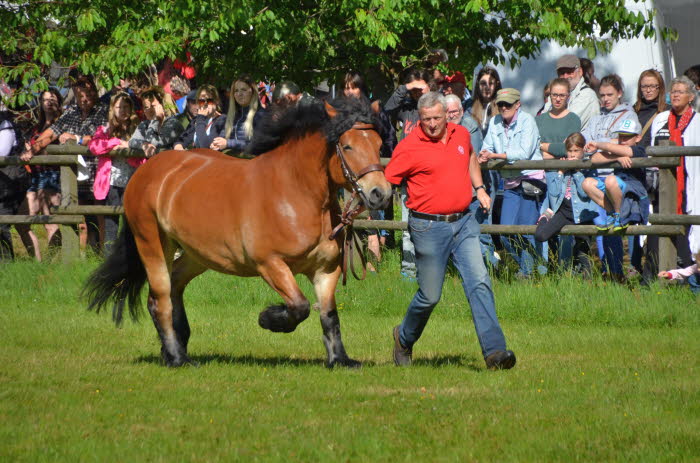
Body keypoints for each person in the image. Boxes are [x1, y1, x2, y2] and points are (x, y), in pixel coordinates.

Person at [385, 91, 516, 370]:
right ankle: (404, 337)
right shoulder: (409, 146)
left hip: (464, 222)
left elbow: (470, 157)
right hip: (427, 226)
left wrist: (479, 187)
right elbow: (387, 180)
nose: (432, 124)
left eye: (436, 117)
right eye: (426, 119)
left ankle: (495, 352)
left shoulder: (460, 134)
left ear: (447, 114)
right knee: (430, 295)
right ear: (419, 119)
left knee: (479, 281)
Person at [21, 75, 109, 253]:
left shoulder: (103, 112)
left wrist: (75, 138)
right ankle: (83, 258)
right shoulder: (71, 113)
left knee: (101, 217)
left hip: (98, 174)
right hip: (75, 178)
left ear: (93, 92)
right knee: (81, 221)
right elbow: (50, 134)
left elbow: (102, 138)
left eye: (87, 95)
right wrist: (33, 149)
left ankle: (103, 255)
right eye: (80, 95)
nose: (83, 99)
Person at [480, 88, 545, 278]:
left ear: (518, 104)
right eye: (500, 104)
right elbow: (487, 146)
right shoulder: (494, 122)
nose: (503, 107)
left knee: (525, 231)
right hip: (509, 181)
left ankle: (528, 273)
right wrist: (484, 155)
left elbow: (524, 153)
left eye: (507, 104)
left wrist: (495, 156)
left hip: (530, 181)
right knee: (505, 232)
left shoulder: (528, 121)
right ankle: (528, 268)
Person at [582, 74, 640, 281]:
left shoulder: (628, 116)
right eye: (602, 95)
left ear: (619, 93)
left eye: (610, 94)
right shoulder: (596, 118)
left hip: (617, 179)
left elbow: (625, 146)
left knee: (616, 224)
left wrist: (602, 149)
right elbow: (586, 144)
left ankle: (618, 271)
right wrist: (605, 148)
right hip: (597, 178)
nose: (605, 99)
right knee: (603, 226)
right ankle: (609, 270)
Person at [340, 71, 397, 264]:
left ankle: (375, 260)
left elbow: (388, 137)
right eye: (346, 88)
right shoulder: (340, 113)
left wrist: (384, 163)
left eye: (353, 87)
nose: (350, 92)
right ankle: (353, 257)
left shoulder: (374, 111)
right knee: (351, 214)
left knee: (374, 215)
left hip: (372, 170)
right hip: (349, 173)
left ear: (361, 88)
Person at [650, 75, 700, 272]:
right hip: (665, 185)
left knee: (691, 227)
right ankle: (666, 273)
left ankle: (690, 273)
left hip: (691, 182)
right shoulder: (662, 119)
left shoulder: (697, 121)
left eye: (680, 91)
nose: (675, 95)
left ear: (691, 97)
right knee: (664, 226)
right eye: (673, 91)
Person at [385, 69, 431, 280]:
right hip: (409, 179)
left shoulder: (433, 107)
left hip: (430, 178)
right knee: (407, 226)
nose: (417, 93)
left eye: (419, 87)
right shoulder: (407, 110)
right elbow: (387, 108)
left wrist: (427, 94)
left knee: (430, 225)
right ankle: (409, 268)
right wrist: (406, 88)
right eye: (414, 89)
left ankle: (430, 268)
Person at [445, 93, 498, 268]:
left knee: (481, 233)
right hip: (454, 192)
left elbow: (470, 156)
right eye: (448, 112)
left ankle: (491, 269)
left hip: (474, 191)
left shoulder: (469, 126)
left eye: (455, 111)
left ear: (461, 110)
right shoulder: (442, 128)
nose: (452, 115)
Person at [535, 133, 598, 275]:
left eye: (576, 151)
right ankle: (545, 218)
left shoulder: (588, 167)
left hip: (582, 213)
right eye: (570, 151)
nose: (572, 155)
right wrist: (560, 172)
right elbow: (555, 193)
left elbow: (584, 193)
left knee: (583, 253)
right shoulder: (562, 166)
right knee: (541, 235)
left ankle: (585, 279)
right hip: (563, 212)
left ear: (583, 151)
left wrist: (576, 171)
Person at [536, 78, 582, 264]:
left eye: (562, 95)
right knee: (542, 217)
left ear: (568, 97)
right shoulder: (540, 120)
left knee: (563, 223)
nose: (557, 99)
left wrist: (545, 146)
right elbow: (535, 149)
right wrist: (553, 151)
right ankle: (543, 267)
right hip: (541, 175)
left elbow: (569, 149)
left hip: (565, 178)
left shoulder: (573, 119)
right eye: (554, 95)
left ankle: (564, 266)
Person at [88, 92, 140, 254]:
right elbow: (94, 146)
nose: (123, 110)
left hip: (133, 182)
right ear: (112, 109)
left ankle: (129, 256)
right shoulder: (104, 130)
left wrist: (128, 148)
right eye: (119, 107)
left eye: (126, 107)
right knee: (111, 222)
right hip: (111, 183)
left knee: (131, 222)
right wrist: (117, 143)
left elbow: (141, 155)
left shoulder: (138, 129)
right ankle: (108, 257)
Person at [583, 119, 650, 234]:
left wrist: (598, 144)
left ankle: (620, 215)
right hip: (616, 188)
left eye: (627, 137)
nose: (623, 140)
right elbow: (594, 158)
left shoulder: (639, 150)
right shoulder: (617, 151)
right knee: (587, 183)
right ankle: (612, 213)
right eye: (621, 136)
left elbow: (626, 151)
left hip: (634, 191)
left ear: (638, 138)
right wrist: (616, 158)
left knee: (610, 180)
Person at [24, 88, 65, 258]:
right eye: (45, 99)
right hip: (36, 176)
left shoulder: (61, 124)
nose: (49, 103)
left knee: (50, 222)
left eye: (53, 99)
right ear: (40, 103)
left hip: (53, 175)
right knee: (22, 220)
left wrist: (35, 151)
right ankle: (38, 261)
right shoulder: (36, 127)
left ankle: (51, 264)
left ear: (59, 102)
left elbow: (54, 151)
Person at [0, 110, 30, 262]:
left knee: (2, 224)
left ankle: (6, 264)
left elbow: (2, 153)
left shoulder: (5, 125)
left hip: (9, 181)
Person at [544, 54, 599, 130]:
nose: (565, 76)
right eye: (562, 73)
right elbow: (542, 121)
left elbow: (565, 125)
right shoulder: (558, 93)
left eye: (569, 72)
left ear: (580, 72)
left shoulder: (587, 95)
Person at [211, 75, 263, 154]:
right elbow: (223, 137)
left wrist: (229, 143)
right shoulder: (232, 116)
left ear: (252, 91)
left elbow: (257, 145)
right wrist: (217, 144)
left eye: (243, 90)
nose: (239, 94)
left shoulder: (261, 115)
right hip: (233, 161)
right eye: (236, 91)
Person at [129, 86, 183, 156]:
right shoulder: (144, 124)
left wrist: (155, 120)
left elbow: (155, 142)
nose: (149, 110)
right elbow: (132, 142)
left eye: (153, 106)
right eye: (146, 107)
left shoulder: (172, 123)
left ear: (162, 105)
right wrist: (144, 145)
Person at [173, 85, 226, 150]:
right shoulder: (196, 120)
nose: (205, 103)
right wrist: (178, 146)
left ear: (216, 101)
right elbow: (182, 140)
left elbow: (206, 147)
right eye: (202, 101)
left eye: (209, 100)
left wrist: (200, 120)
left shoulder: (222, 120)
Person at [469, 66, 502, 135]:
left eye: (491, 83)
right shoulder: (468, 106)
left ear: (497, 84)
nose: (487, 87)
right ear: (478, 84)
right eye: (483, 83)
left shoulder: (503, 107)